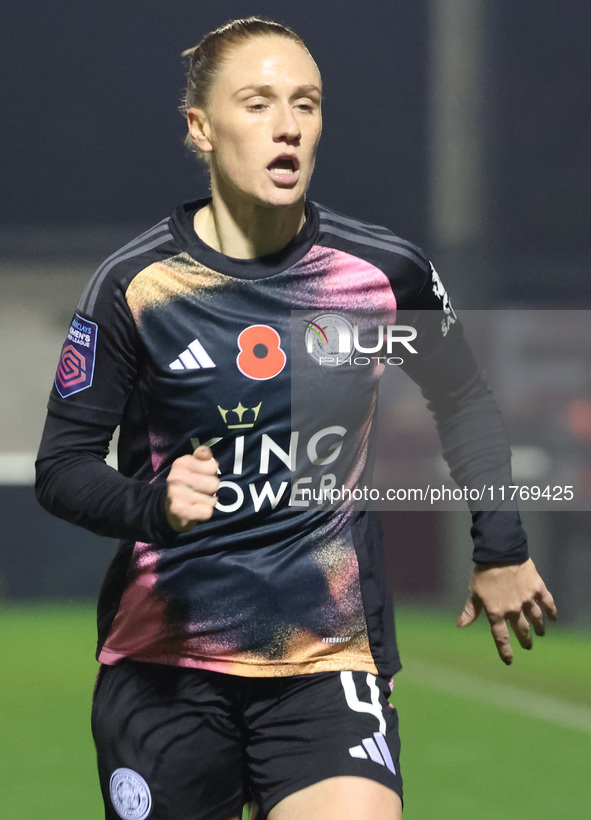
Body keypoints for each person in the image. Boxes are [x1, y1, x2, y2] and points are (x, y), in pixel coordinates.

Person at [35, 17, 557, 820]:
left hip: (326, 661)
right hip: (164, 668)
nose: (286, 125)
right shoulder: (135, 286)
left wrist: (501, 546)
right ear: (200, 129)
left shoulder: (382, 273)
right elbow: (62, 467)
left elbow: (462, 396)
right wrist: (153, 503)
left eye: (305, 104)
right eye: (257, 102)